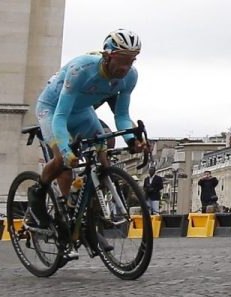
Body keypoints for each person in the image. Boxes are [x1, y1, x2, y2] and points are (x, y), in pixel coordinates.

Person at [33, 29, 146, 244]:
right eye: (121, 61)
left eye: (130, 62)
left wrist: (132, 141)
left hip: (82, 111)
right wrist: (66, 150)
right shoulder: (81, 68)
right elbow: (60, 116)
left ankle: (87, 224)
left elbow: (121, 115)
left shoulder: (130, 76)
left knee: (102, 161)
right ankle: (38, 194)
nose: (125, 68)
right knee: (63, 163)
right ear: (107, 55)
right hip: (53, 109)